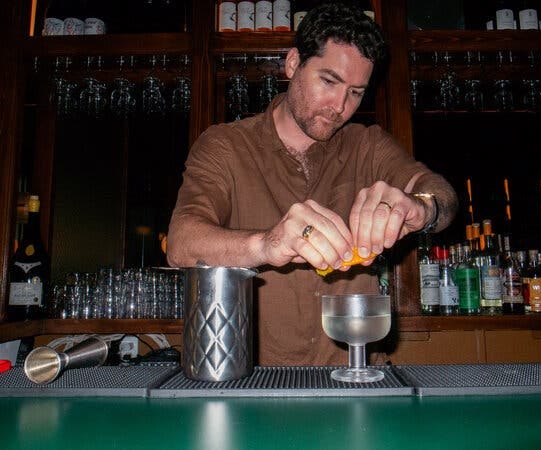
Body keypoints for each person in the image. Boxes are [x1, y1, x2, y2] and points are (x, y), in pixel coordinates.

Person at [167, 2, 458, 366]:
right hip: (253, 380)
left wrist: (422, 207)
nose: (340, 105)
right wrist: (267, 243)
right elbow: (181, 243)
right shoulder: (225, 145)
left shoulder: (368, 145)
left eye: (355, 92)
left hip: (355, 377)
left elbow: (441, 193)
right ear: (293, 64)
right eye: (329, 81)